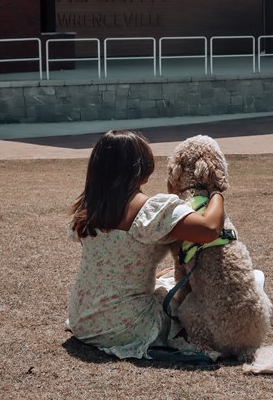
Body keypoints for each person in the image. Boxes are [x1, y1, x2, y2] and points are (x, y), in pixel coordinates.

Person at [67, 130, 225, 360]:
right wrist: (216, 192)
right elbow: (209, 229)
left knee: (166, 279)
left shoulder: (88, 209)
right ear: (142, 168)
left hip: (84, 319)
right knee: (248, 280)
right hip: (126, 326)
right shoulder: (148, 210)